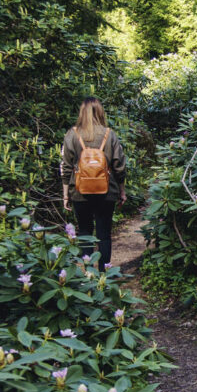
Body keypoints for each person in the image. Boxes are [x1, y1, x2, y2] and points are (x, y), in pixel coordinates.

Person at [61, 97, 128, 268]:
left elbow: (66, 167)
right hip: (107, 191)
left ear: (82, 112)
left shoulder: (72, 134)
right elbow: (119, 165)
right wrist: (122, 191)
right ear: (100, 111)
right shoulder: (109, 134)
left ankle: (89, 274)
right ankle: (104, 276)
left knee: (84, 232)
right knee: (104, 234)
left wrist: (66, 195)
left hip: (79, 191)